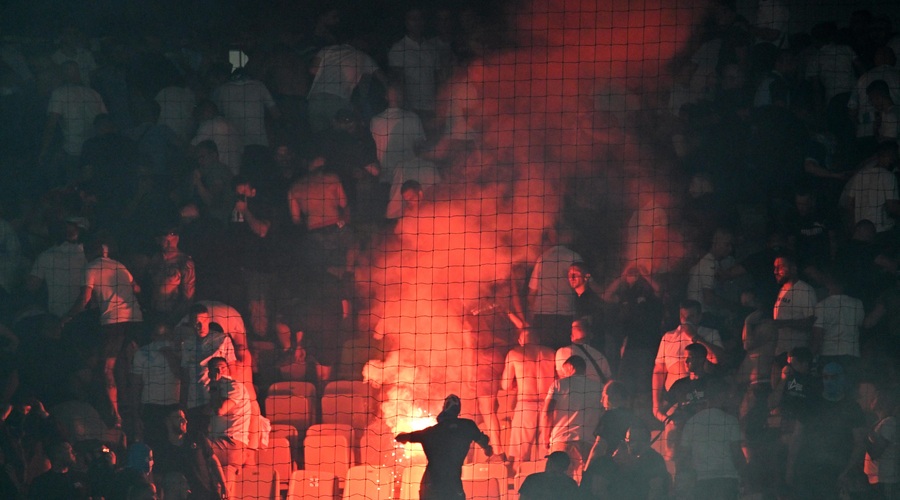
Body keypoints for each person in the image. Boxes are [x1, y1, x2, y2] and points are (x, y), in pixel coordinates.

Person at [62, 237, 143, 428]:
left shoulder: (90, 268)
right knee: (132, 365)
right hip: (135, 319)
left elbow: (84, 300)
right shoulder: (119, 265)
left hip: (113, 322)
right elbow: (137, 288)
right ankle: (136, 409)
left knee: (108, 368)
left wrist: (66, 317)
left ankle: (116, 415)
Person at [395, 394, 493, 500]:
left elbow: (401, 437)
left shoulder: (430, 432)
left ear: (443, 409)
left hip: (431, 487)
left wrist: (404, 436)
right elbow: (483, 441)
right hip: (453, 487)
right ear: (458, 410)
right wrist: (487, 449)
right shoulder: (467, 426)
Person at [542, 355, 605, 483]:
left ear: (570, 367)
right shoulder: (599, 387)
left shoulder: (558, 384)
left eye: (564, 370)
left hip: (562, 440)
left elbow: (547, 412)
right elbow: (603, 414)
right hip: (588, 441)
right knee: (585, 483)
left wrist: (545, 437)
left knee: (558, 484)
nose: (562, 373)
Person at [501, 327, 556, 463]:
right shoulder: (551, 353)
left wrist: (516, 384)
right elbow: (558, 379)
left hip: (526, 405)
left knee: (521, 455)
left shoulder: (514, 353)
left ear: (520, 340)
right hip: (548, 405)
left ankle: (522, 481)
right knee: (546, 452)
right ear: (537, 339)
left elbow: (505, 385)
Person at [180, 304, 236, 435]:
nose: (200, 326)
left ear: (209, 320)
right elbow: (185, 377)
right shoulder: (187, 344)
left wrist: (228, 397)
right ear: (191, 324)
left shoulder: (222, 340)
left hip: (215, 400)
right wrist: (182, 404)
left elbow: (232, 371)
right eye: (196, 323)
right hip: (194, 402)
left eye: (204, 321)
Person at [152, 407, 227, 500]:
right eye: (178, 418)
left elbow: (213, 460)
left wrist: (224, 485)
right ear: (168, 421)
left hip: (206, 494)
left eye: (184, 417)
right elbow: (157, 478)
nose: (184, 421)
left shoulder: (196, 437)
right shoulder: (162, 449)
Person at [581, 424, 671, 500]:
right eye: (629, 441)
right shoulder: (606, 464)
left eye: (640, 440)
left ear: (647, 442)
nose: (633, 445)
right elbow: (598, 490)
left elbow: (656, 490)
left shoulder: (654, 460)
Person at [206, 357, 252, 486]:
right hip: (220, 443)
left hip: (231, 443)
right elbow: (207, 410)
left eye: (222, 367)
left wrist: (214, 385)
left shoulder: (234, 386)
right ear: (209, 372)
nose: (219, 371)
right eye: (215, 369)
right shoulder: (215, 390)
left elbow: (220, 410)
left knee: (196, 449)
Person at [555, 319, 612, 384]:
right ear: (590, 336)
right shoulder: (601, 357)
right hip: (595, 393)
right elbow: (608, 383)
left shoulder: (562, 352)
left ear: (571, 337)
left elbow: (562, 380)